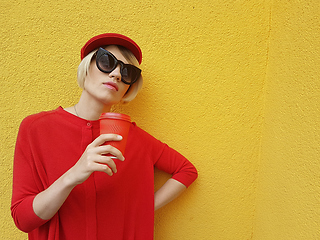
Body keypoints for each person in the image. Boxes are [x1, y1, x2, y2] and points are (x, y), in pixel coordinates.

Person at [11, 33, 198, 240]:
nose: (117, 74)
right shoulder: (36, 128)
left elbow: (186, 170)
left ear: (129, 88)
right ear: (86, 66)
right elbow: (23, 220)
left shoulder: (136, 139)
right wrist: (73, 176)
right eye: (106, 61)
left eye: (128, 72)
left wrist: (142, 210)